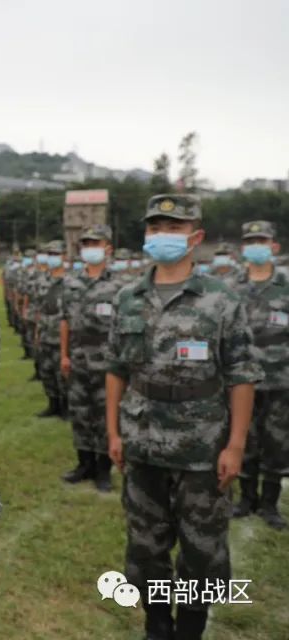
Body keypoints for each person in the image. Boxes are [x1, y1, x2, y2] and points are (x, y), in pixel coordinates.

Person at [107, 194, 258, 640]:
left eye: (172, 227)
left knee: (201, 550)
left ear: (195, 237)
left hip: (203, 447)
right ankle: (157, 627)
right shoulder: (128, 297)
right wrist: (113, 431)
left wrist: (236, 444)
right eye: (154, 227)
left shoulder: (222, 300)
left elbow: (242, 375)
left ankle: (190, 629)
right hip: (142, 440)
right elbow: (117, 369)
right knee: (146, 545)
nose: (161, 235)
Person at [230, 220, 289, 530]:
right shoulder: (231, 287)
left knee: (277, 445)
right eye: (251, 240)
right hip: (243, 383)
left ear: (274, 246)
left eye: (262, 239)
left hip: (281, 382)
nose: (256, 245)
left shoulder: (286, 286)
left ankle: (269, 504)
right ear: (244, 248)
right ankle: (246, 499)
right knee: (245, 441)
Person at [60, 224, 119, 491]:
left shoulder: (120, 285)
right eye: (86, 244)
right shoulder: (71, 281)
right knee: (80, 412)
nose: (89, 249)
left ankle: (103, 469)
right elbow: (65, 321)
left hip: (107, 360)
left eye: (95, 244)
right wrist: (64, 354)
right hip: (78, 357)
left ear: (108, 248)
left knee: (105, 413)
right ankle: (84, 464)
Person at [33, 241, 68, 418]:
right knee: (46, 371)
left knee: (62, 374)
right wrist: (37, 331)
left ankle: (65, 407)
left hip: (61, 334)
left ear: (64, 256)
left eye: (56, 254)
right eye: (50, 254)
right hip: (45, 331)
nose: (52, 257)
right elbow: (39, 307)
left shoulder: (70, 281)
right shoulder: (42, 279)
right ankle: (52, 404)